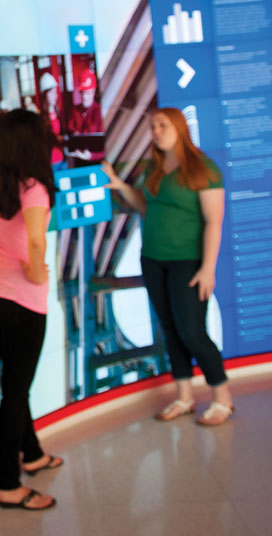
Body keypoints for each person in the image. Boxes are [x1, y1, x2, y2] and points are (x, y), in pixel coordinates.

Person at [103, 107, 232, 425]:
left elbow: (214, 222)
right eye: (153, 126)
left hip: (187, 263)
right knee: (171, 331)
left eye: (163, 125)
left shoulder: (204, 169)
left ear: (179, 127)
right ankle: (184, 397)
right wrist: (120, 186)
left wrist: (208, 268)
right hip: (153, 261)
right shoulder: (154, 169)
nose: (156, 131)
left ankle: (222, 399)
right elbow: (146, 207)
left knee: (193, 332)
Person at [0, 109, 62, 511]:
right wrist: (36, 271)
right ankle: (8, 483)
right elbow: (37, 242)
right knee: (16, 390)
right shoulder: (35, 188)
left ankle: (33, 452)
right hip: (25, 299)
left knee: (13, 382)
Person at [37, 71, 66, 171]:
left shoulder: (58, 113)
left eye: (55, 92)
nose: (55, 95)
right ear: (45, 95)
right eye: (52, 92)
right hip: (51, 164)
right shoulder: (40, 118)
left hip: (63, 161)